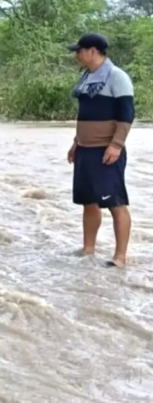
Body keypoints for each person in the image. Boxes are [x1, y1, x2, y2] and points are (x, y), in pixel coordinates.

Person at [67, 32, 134, 268]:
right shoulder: (87, 77)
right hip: (85, 149)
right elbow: (85, 115)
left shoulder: (117, 77)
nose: (77, 54)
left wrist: (116, 145)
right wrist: (76, 142)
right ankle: (88, 249)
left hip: (106, 151)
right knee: (88, 202)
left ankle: (120, 257)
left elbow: (127, 115)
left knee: (115, 202)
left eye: (79, 50)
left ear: (93, 51)